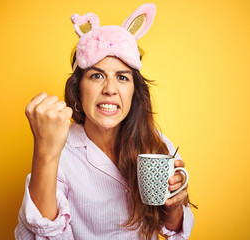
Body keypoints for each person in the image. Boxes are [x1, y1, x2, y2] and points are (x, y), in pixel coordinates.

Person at [15, 3, 195, 240]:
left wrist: (173, 207)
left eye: (122, 77)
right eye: (97, 75)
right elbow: (36, 235)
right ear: (78, 90)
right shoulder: (61, 151)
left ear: (134, 92)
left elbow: (173, 230)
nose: (110, 89)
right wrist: (45, 151)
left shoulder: (156, 144)